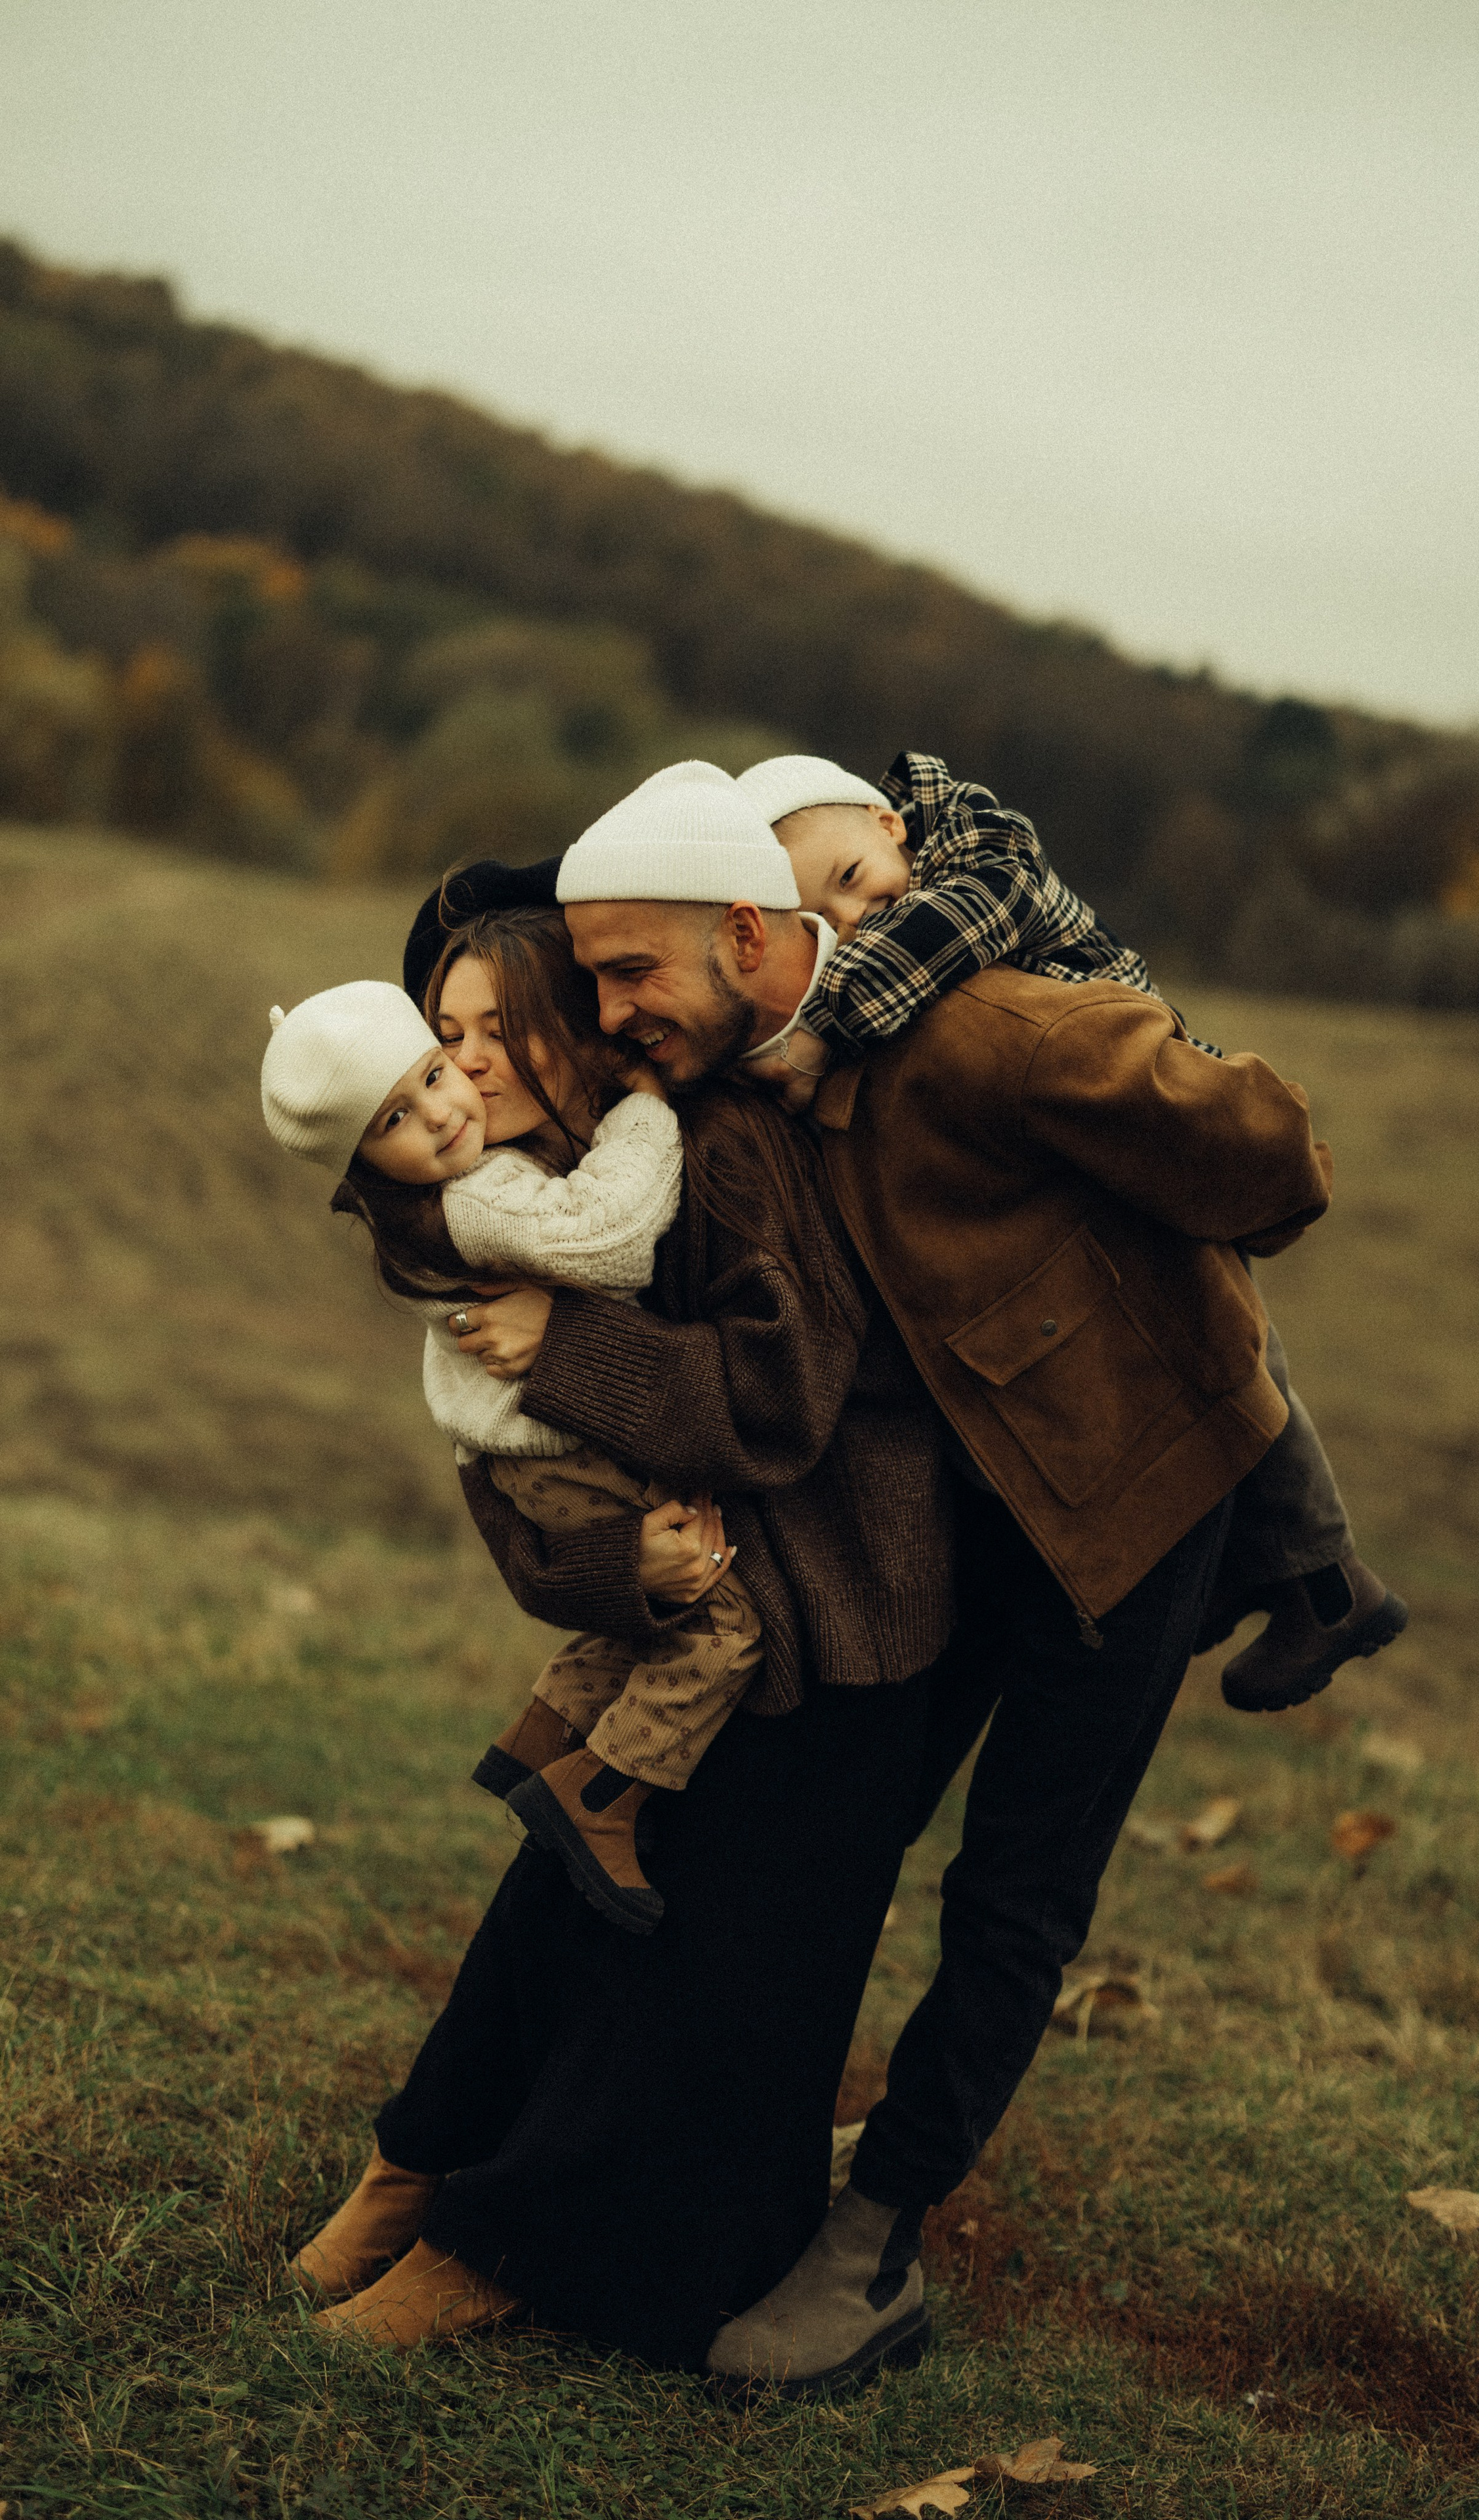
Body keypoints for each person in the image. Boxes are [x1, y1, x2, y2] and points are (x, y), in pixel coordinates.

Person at [521, 759, 1335, 2393]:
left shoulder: (983, 1032)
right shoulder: (756, 1095)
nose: (609, 1013)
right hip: (971, 1521)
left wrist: (1140, 1259)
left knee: (1014, 1894)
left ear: (747, 937)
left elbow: (1272, 1158)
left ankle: (875, 2243)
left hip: (1129, 1518)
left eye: (628, 972)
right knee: (846, 1825)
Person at [284, 777, 955, 2362]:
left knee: (681, 1941)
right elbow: (521, 1512)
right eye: (442, 1036)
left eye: (494, 1029)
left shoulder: (710, 1153)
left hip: (845, 1618)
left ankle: (511, 2245)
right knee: (558, 1891)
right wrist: (619, 1567)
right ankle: (419, 2165)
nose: (460, 1066)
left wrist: (568, 1351)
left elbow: (784, 1397)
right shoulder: (526, 1209)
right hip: (728, 1606)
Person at [733, 748, 1406, 1715]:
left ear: (890, 826)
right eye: (821, 922)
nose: (854, 920)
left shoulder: (982, 851)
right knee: (1212, 1319)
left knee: (1220, 1322)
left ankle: (1328, 1582)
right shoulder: (902, 893)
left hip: (1139, 1084)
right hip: (1074, 1138)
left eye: (850, 878)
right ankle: (1281, 1574)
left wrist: (821, 1026)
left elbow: (943, 932)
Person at [259, 935, 761, 1938]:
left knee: (641, 1624)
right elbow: (608, 1235)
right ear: (365, 1164)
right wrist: (645, 1110)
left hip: (524, 1457)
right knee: (723, 1627)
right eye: (396, 1120)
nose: (444, 1109)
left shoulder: (422, 1208)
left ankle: (543, 1734)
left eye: (433, 1073)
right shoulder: (477, 1197)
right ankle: (600, 1793)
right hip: (557, 1451)